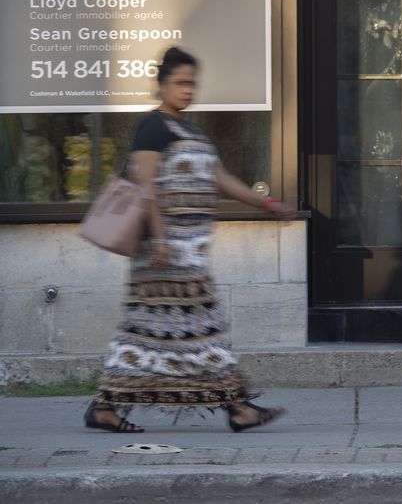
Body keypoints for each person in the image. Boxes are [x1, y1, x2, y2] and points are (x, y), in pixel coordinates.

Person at [84, 47, 294, 434]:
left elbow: (220, 178)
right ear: (162, 85)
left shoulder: (191, 130)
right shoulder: (152, 127)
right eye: (180, 82)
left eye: (192, 82)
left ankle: (105, 406)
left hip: (189, 250)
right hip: (164, 253)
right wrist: (162, 240)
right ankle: (238, 407)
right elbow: (146, 186)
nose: (188, 89)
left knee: (149, 330)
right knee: (203, 325)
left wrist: (266, 202)